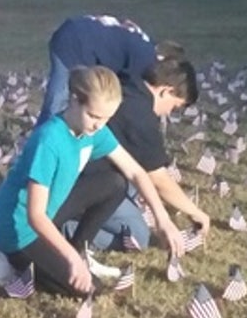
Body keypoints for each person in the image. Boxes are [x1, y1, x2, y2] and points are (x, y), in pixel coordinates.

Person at [0, 66, 183, 297]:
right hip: (18, 228)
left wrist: (163, 219)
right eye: (94, 116)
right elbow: (35, 216)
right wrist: (70, 260)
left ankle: (79, 250)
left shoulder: (93, 131)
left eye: (106, 118)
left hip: (49, 212)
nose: (99, 125)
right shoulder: (49, 140)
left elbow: (136, 172)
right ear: (75, 100)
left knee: (115, 183)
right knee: (90, 290)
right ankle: (2, 254)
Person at [84, 56, 211, 252]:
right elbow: (158, 178)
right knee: (138, 236)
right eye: (174, 107)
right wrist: (194, 212)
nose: (168, 113)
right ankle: (68, 230)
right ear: (166, 90)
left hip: (105, 174)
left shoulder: (130, 83)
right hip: (88, 181)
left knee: (137, 193)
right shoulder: (140, 116)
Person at [39, 13, 184, 124]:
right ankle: (38, 149)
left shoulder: (144, 43)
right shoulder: (145, 58)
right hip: (73, 44)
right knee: (56, 107)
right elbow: (133, 95)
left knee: (79, 101)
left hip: (77, 29)